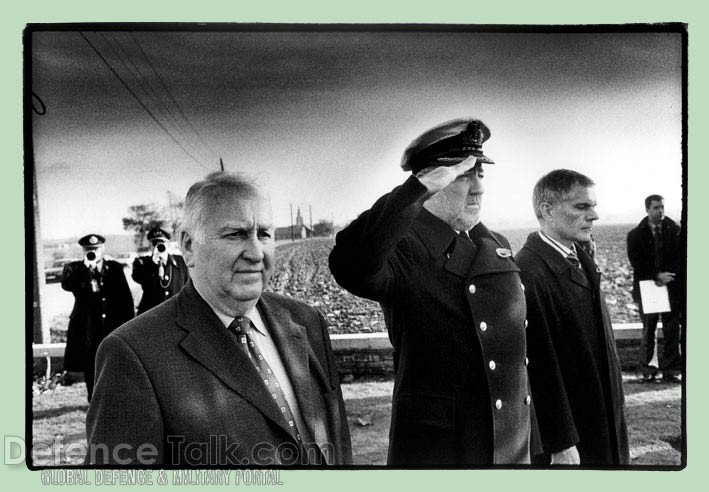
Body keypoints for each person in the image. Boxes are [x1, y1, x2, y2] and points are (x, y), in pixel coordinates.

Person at [86, 172, 351, 466]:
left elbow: (336, 442)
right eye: (235, 234)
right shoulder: (133, 354)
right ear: (188, 247)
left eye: (264, 234)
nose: (255, 253)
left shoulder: (306, 321)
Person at [329, 118, 534, 465]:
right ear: (432, 182)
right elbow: (351, 263)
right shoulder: (403, 246)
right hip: (441, 451)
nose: (478, 188)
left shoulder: (495, 244)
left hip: (509, 447)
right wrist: (414, 190)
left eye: (480, 174)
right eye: (463, 175)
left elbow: (516, 364)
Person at [515, 169, 629, 466]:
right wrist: (560, 441)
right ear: (547, 210)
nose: (594, 216)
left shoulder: (579, 255)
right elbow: (538, 365)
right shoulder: (529, 272)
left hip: (603, 417)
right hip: (576, 435)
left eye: (593, 206)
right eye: (582, 206)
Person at [60, 234, 135, 402]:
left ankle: (115, 399)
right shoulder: (76, 269)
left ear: (103, 249)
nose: (92, 252)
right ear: (83, 251)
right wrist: (87, 269)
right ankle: (93, 400)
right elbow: (66, 285)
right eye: (89, 250)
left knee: (113, 362)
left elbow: (125, 298)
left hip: (111, 324)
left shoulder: (114, 268)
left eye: (96, 249)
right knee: (90, 365)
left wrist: (129, 324)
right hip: (87, 327)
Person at [627, 194, 682, 383]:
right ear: (647, 210)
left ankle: (671, 369)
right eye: (656, 208)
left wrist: (669, 276)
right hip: (647, 287)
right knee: (648, 330)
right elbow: (637, 262)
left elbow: (682, 257)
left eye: (662, 207)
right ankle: (647, 370)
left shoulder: (675, 231)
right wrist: (656, 275)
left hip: (672, 287)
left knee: (672, 330)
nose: (661, 211)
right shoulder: (635, 235)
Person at [131, 227, 190, 315]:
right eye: (154, 243)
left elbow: (188, 287)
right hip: (151, 314)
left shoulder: (181, 262)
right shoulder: (142, 263)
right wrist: (153, 264)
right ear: (150, 246)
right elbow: (138, 278)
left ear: (169, 245)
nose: (158, 246)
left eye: (162, 243)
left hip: (175, 313)